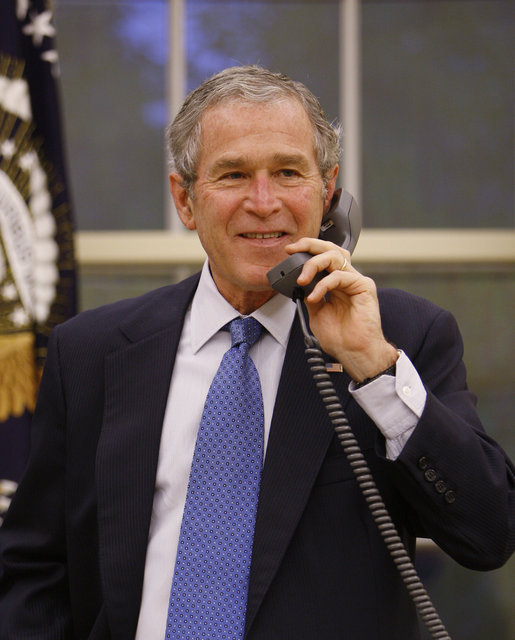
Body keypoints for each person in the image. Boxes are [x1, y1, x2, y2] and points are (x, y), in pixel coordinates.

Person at [0, 65, 513, 640]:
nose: (262, 201)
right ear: (185, 200)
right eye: (234, 174)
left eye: (289, 172)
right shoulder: (90, 353)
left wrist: (375, 369)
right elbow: (34, 569)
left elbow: (487, 534)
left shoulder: (405, 339)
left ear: (329, 194)